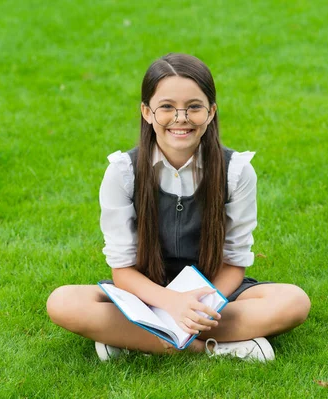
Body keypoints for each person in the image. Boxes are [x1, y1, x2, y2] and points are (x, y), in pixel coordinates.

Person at [47, 53, 310, 362]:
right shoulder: (122, 171)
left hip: (210, 294)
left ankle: (134, 339)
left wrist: (201, 306)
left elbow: (235, 261)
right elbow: (122, 270)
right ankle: (214, 348)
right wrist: (171, 302)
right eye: (167, 107)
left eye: (194, 107)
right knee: (62, 302)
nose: (181, 118)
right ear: (147, 112)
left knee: (294, 301)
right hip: (145, 294)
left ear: (211, 112)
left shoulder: (236, 171)